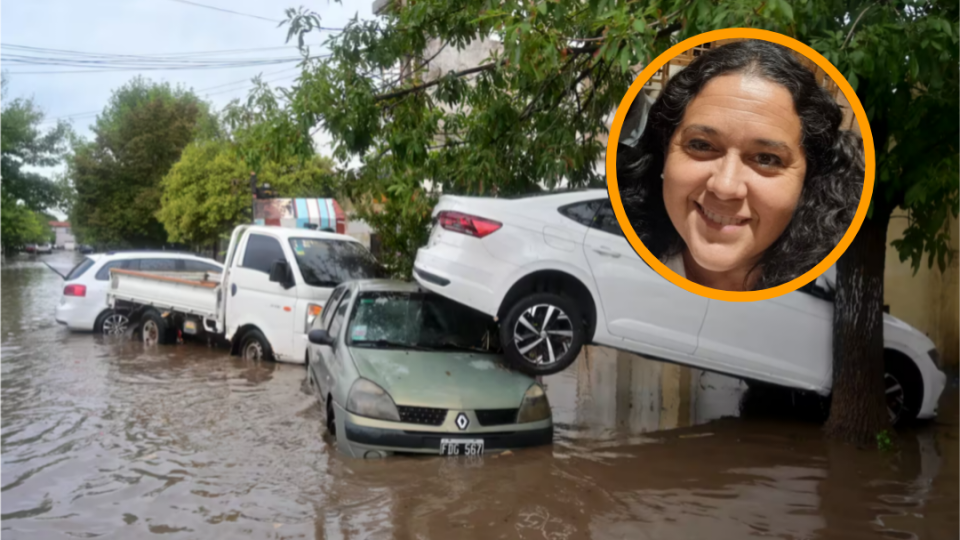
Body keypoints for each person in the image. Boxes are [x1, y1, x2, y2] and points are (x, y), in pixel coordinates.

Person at [618, 39, 864, 292]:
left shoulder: (823, 287)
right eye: (702, 145)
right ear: (664, 153)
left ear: (807, 182)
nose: (724, 187)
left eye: (766, 159)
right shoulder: (618, 250)